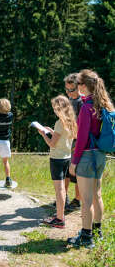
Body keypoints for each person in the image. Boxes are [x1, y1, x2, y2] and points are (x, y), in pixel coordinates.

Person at [68, 69, 114, 248]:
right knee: (97, 196)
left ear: (85, 86)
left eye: (78, 83)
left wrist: (74, 161)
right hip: (101, 155)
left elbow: (81, 138)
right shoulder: (104, 106)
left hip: (87, 156)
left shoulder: (87, 108)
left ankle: (86, 238)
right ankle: (97, 232)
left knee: (86, 200)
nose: (76, 87)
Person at [38, 95, 77, 228]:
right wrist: (52, 131)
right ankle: (60, 214)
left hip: (57, 159)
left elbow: (52, 144)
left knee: (59, 190)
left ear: (59, 109)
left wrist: (44, 134)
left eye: (55, 108)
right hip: (67, 157)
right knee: (63, 189)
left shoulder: (59, 122)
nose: (54, 110)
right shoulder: (71, 121)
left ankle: (60, 218)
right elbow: (64, 138)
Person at [63, 73, 83, 211]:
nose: (69, 93)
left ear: (79, 87)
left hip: (77, 142)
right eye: (67, 90)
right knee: (65, 170)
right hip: (67, 140)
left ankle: (77, 200)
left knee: (76, 172)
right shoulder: (69, 101)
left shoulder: (82, 103)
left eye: (72, 90)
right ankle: (63, 197)